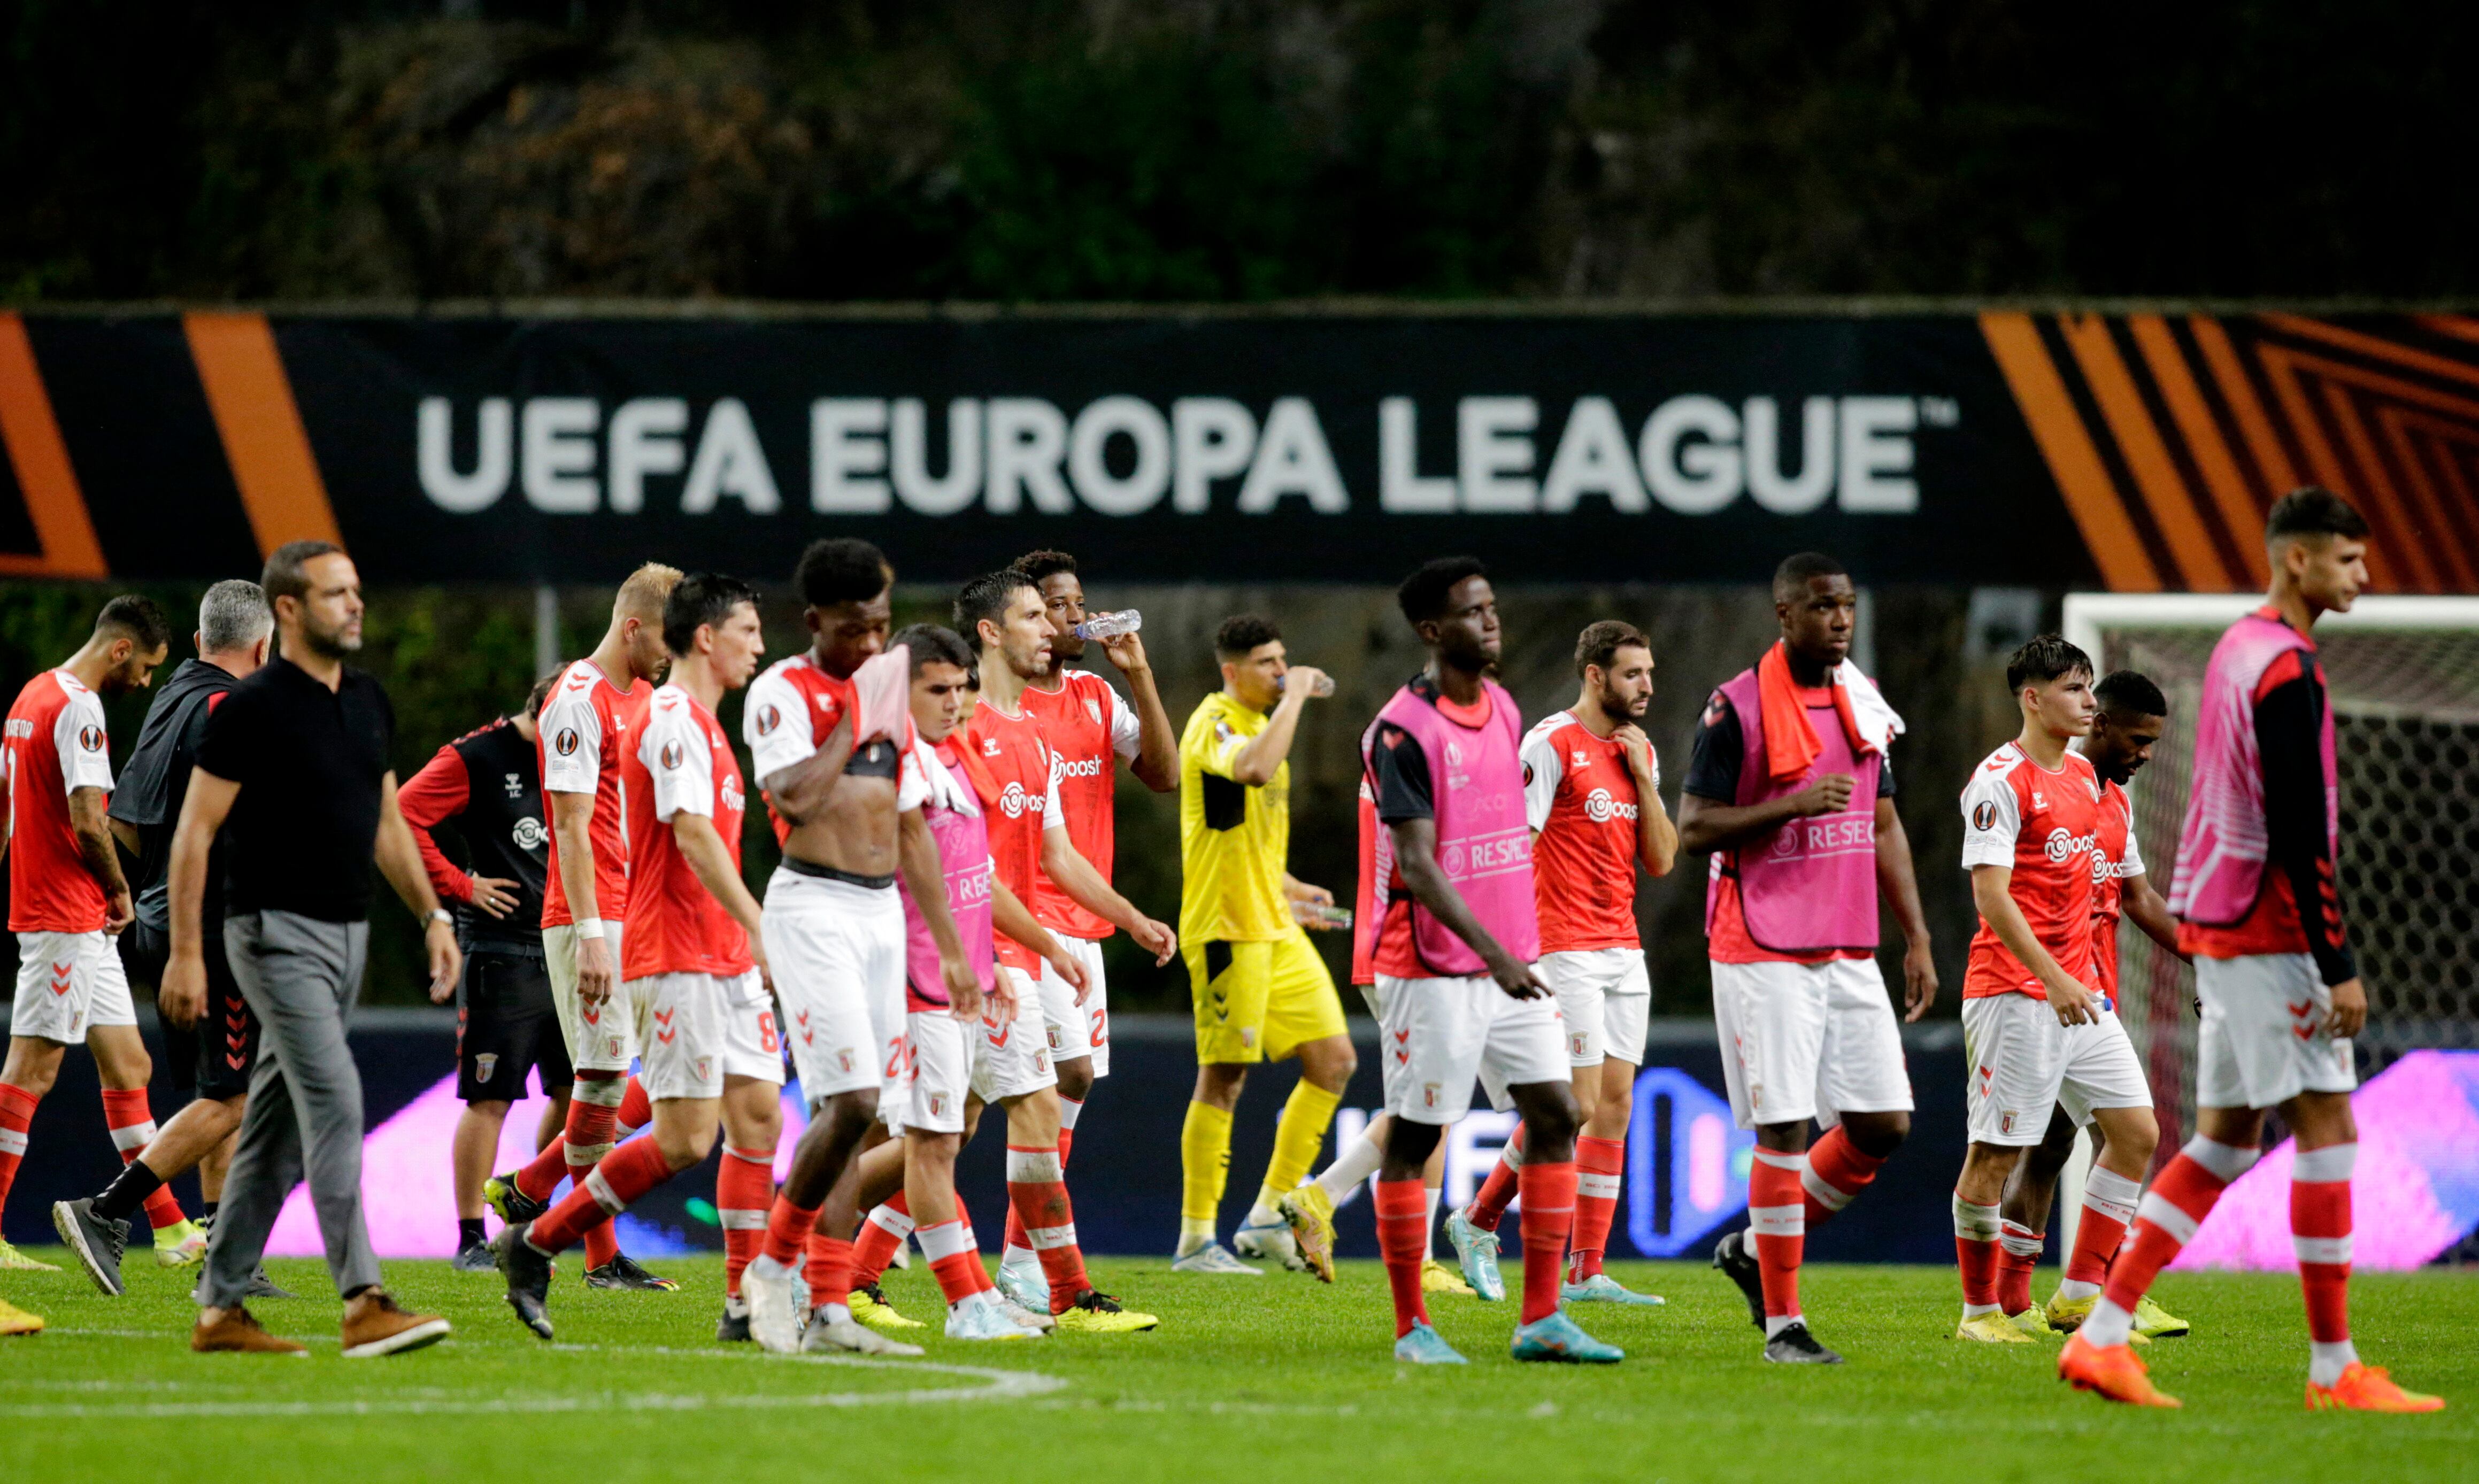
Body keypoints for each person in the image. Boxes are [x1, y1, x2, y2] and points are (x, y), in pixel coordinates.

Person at [2060, 489, 2445, 1412]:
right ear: (2299, 560)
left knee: (2225, 1140)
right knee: (2329, 1131)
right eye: (2349, 559)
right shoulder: (2289, 669)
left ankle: (2104, 1336)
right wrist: (2337, 960)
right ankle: (2332, 1369)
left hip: (2219, 929)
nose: (2363, 574)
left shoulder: (2238, 649)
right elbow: (2299, 826)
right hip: (2270, 932)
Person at [167, 540, 455, 1356]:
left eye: (356, 590)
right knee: (335, 1101)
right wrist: (187, 953)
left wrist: (432, 917)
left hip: (349, 933)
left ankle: (220, 1310)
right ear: (288, 610)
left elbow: (388, 821)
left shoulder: (366, 699)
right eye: (336, 593)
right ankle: (364, 1298)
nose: (355, 604)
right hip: (269, 933)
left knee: (273, 1127)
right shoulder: (252, 706)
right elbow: (195, 833)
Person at [494, 573, 786, 1345]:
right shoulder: (654, 716)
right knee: (667, 1124)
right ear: (704, 636)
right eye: (749, 631)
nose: (761, 646)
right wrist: (758, 923)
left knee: (755, 1120)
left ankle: (743, 1305)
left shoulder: (708, 726)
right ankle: (541, 1234)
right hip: (662, 944)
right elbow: (657, 830)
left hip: (712, 947)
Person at [1358, 555, 1615, 1366]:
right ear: (1434, 633)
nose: (1492, 621)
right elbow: (1420, 866)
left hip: (1512, 964)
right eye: (1474, 613)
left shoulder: (1503, 707)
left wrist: (1514, 951)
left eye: (1493, 607)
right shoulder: (1400, 731)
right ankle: (1411, 1328)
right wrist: (1497, 952)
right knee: (1419, 1134)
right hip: (1433, 965)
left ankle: (1540, 1320)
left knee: (1557, 1114)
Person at [1681, 551, 1935, 1365]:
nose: (1841, 620)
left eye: (1850, 606)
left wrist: (1919, 937)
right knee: (1786, 1126)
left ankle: (1754, 1252)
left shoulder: (1863, 702)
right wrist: (1790, 803)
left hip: (1846, 938)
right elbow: (1693, 829)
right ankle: (1784, 1324)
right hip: (1761, 941)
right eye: (1825, 607)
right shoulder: (1735, 708)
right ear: (1785, 613)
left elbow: (1884, 825)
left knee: (1882, 1124)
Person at [949, 568, 1167, 1330]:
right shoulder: (960, 731)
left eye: (1055, 615)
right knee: (941, 1128)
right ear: (991, 632)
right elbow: (968, 870)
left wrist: (1133, 921)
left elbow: (1058, 858)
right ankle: (1049, 1289)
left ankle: (846, 1268)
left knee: (960, 1121)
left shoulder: (1032, 739)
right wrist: (1047, 941)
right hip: (968, 952)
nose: (1056, 627)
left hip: (1028, 949)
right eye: (1038, 615)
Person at [56, 582, 280, 1296]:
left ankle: (225, 1256)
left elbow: (125, 815)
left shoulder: (174, 695)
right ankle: (106, 1211)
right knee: (238, 1099)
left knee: (220, 1093)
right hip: (210, 926)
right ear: (264, 648)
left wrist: (119, 895)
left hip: (157, 916)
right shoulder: (232, 710)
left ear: (195, 644)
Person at [1446, 619, 1677, 1308]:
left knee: (1614, 1107)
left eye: (1650, 673)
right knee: (1572, 1107)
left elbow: (1662, 860)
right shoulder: (1550, 743)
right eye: (1633, 673)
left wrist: (1644, 778)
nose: (1646, 686)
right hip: (1562, 947)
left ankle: (1587, 1270)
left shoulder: (1640, 751)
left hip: (1622, 946)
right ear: (1595, 675)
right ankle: (1479, 1219)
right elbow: (1514, 847)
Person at [736, 538, 920, 1356]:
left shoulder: (892, 690)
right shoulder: (782, 691)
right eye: (855, 630)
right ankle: (770, 1274)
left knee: (862, 1116)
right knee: (845, 1104)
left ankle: (832, 1310)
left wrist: (946, 947)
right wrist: (855, 716)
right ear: (815, 623)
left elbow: (906, 822)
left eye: (882, 628)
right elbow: (797, 799)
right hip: (813, 908)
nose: (873, 646)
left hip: (883, 916)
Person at [1950, 637, 2159, 1344]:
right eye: (2075, 689)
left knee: (2136, 1134)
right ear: (2032, 698)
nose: (2089, 702)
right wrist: (2053, 976)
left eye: (2091, 688)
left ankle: (2084, 1294)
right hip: (2014, 992)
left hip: (2079, 996)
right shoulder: (2000, 782)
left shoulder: (2085, 779)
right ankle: (1980, 1314)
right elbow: (1991, 898)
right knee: (1995, 1155)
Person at [482, 564, 680, 1292]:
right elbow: (568, 822)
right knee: (601, 1080)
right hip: (591, 918)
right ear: (633, 627)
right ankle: (597, 1256)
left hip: (645, 913)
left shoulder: (649, 699)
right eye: (666, 635)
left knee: (675, 1074)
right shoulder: (577, 699)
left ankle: (531, 1184)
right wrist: (592, 930)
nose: (673, 650)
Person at [865, 623, 1053, 1340]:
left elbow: (969, 880)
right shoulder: (887, 763)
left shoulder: (944, 759)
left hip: (956, 976)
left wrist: (992, 959)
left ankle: (812, 1255)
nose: (954, 700)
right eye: (936, 688)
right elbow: (899, 875)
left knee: (943, 1136)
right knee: (930, 1142)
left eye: (961, 687)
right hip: (909, 978)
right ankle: (805, 1251)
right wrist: (947, 956)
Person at [1000, 550, 1179, 1293]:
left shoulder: (1098, 699)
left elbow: (1165, 776)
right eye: (1057, 605)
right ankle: (1028, 1270)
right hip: (1017, 919)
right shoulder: (992, 704)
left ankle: (1015, 1264)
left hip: (1082, 922)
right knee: (1031, 1086)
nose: (1077, 617)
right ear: (1025, 618)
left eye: (1080, 602)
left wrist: (1139, 673)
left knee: (1060, 1089)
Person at [1993, 669, 2190, 1341]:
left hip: (2093, 996)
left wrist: (2208, 956)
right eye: (2137, 739)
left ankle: (2088, 1293)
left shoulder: (2113, 802)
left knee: (2100, 1138)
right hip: (2039, 995)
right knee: (2054, 1146)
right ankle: (2037, 1298)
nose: (2144, 754)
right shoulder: (2045, 787)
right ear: (2098, 722)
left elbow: (2137, 898)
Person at [1168, 614, 1354, 1277]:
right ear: (1232, 670)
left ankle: (1269, 1217)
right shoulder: (1215, 722)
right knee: (1224, 1078)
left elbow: (1236, 837)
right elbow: (1249, 770)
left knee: (1333, 1061)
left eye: (1285, 661)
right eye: (1268, 663)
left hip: (1271, 923)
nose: (1281, 671)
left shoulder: (1261, 724)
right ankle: (1195, 1240)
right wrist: (1299, 694)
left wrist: (1291, 889)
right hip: (1226, 929)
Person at [0, 596, 178, 1274]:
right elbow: (87, 818)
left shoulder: (30, 694)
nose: (145, 684)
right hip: (66, 913)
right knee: (31, 1070)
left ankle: (171, 1232)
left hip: (71, 916)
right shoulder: (80, 706)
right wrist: (118, 889)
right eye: (146, 668)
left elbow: (5, 801)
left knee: (130, 1066)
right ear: (122, 650)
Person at [397, 673, 567, 1272]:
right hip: (503, 951)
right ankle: (471, 1235)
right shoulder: (477, 756)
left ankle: (534, 1206)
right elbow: (401, 816)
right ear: (546, 713)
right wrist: (459, 886)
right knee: (489, 1096)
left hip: (571, 952)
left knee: (581, 1097)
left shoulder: (578, 753)